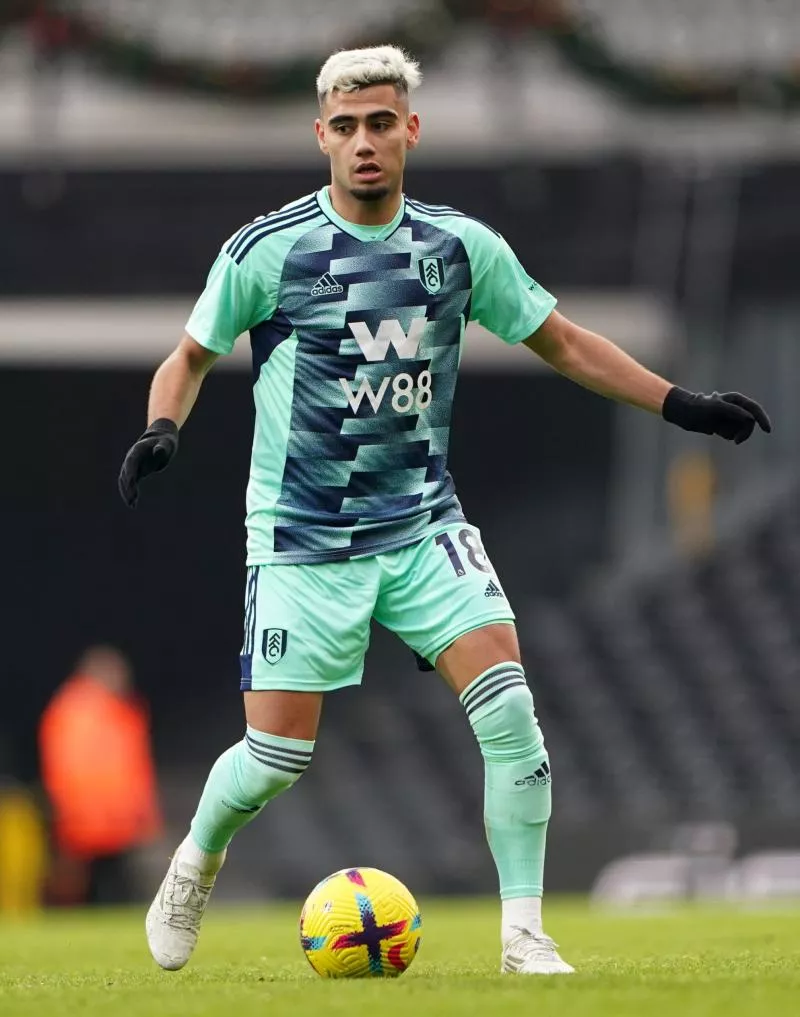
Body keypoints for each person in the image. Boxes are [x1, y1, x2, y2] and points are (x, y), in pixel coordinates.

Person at [118, 46, 771, 974]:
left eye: (381, 122)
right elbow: (188, 356)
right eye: (345, 127)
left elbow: (565, 341)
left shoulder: (459, 247)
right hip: (303, 539)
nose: (364, 142)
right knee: (273, 759)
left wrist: (680, 403)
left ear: (410, 130)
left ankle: (523, 933)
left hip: (424, 526)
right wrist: (160, 428)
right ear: (321, 138)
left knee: (512, 713)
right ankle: (193, 861)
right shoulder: (269, 250)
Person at [39, 645, 163, 905]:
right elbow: (71, 769)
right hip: (91, 822)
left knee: (115, 886)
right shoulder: (76, 712)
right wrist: (78, 812)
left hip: (118, 822)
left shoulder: (121, 713)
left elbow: (135, 769)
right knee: (85, 888)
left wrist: (142, 812)